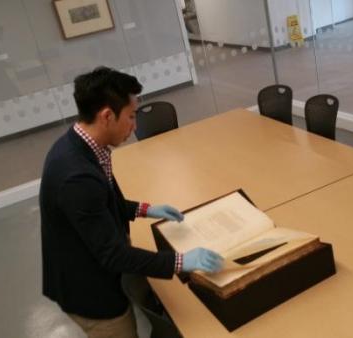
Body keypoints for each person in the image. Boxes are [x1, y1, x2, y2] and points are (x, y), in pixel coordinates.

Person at [39, 67, 223, 338]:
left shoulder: (84, 144)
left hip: (91, 261)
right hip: (90, 292)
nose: (134, 126)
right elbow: (113, 255)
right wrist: (181, 261)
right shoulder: (76, 176)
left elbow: (105, 201)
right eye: (131, 117)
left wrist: (145, 209)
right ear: (106, 116)